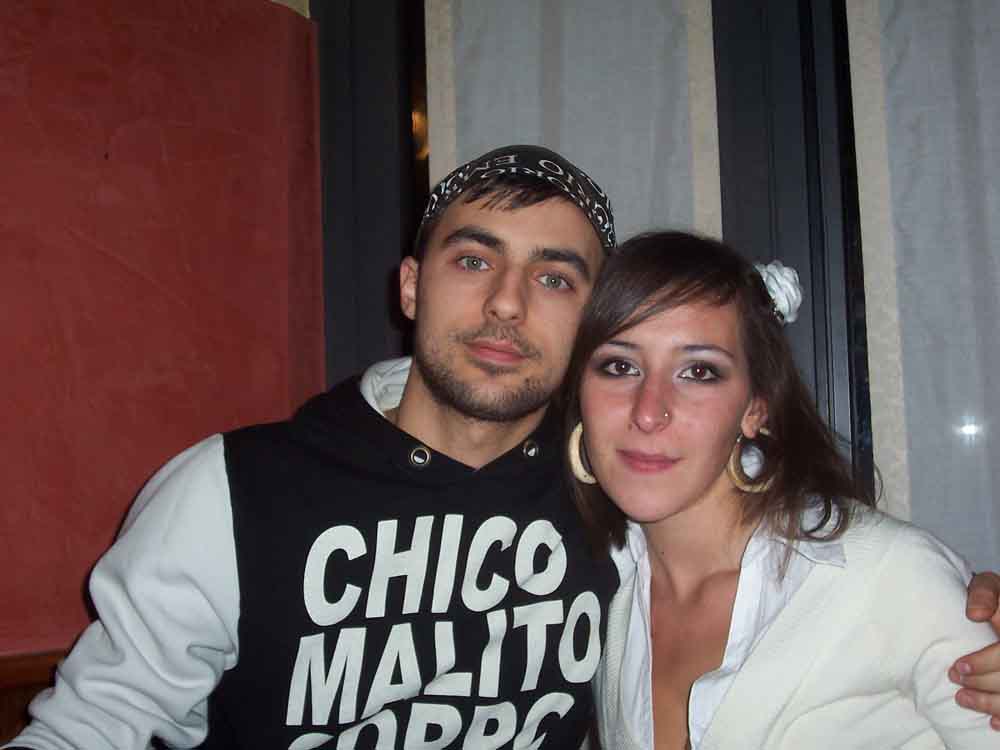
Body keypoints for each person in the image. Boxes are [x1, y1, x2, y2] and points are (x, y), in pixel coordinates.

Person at [5, 150, 999, 750]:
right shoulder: (233, 490)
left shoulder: (616, 498)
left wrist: (966, 605)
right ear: (410, 285)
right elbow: (93, 725)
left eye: (555, 278)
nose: (507, 305)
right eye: (473, 258)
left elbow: (813, 570)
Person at [561, 230, 1000, 749]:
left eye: (698, 372)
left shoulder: (890, 575)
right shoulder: (594, 593)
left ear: (755, 407)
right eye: (620, 366)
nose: (649, 411)